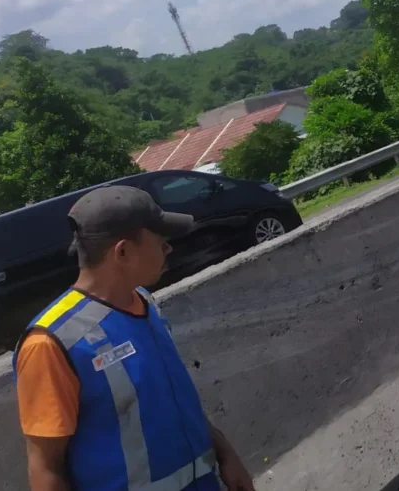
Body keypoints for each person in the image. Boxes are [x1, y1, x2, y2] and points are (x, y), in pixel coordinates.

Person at [13, 185, 255, 491]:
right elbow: (46, 468)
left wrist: (225, 453)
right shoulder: (51, 344)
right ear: (123, 252)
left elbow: (171, 398)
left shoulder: (144, 301)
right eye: (160, 242)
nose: (169, 249)